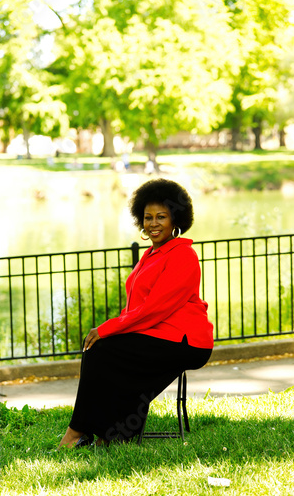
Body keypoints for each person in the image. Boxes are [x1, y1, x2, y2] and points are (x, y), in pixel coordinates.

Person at [58, 178, 214, 449]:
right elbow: (136, 308)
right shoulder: (152, 254)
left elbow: (155, 309)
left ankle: (77, 433)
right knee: (103, 350)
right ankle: (111, 433)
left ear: (175, 219)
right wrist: (114, 329)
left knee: (101, 349)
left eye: (161, 217)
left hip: (187, 342)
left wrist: (107, 328)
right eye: (148, 217)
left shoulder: (182, 255)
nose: (153, 223)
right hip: (160, 334)